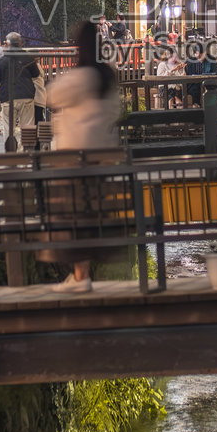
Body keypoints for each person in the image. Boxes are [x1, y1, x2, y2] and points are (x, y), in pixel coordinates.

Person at [42, 20, 123, 294]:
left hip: (75, 158)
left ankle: (80, 276)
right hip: (103, 157)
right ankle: (80, 276)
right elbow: (115, 112)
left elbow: (52, 96)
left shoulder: (82, 77)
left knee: (74, 216)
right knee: (89, 217)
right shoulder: (107, 76)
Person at [0, 32, 40, 146]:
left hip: (8, 97)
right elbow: (36, 74)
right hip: (26, 95)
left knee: (8, 127)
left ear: (7, 44)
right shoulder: (28, 58)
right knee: (28, 127)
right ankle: (27, 152)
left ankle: (11, 152)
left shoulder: (3, 60)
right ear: (20, 43)